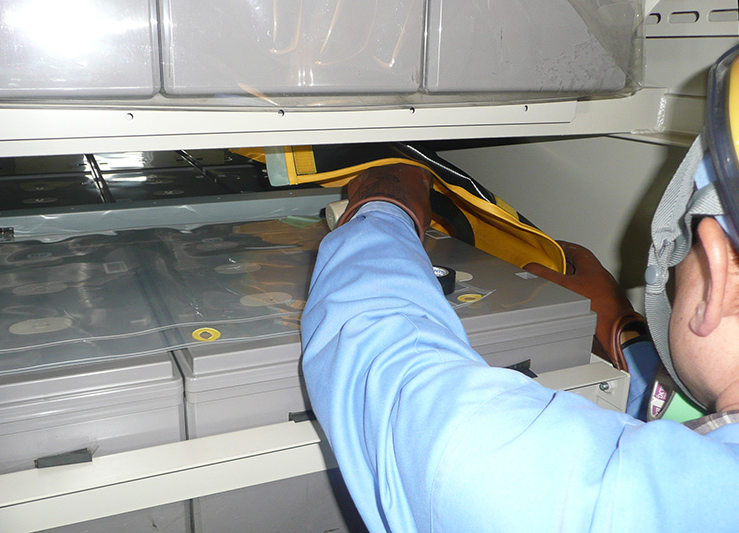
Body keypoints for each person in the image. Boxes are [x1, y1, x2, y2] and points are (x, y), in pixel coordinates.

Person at [301, 45, 739, 532]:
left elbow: (384, 366)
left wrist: (384, 203)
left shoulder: (579, 501)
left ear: (718, 271)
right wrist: (624, 331)